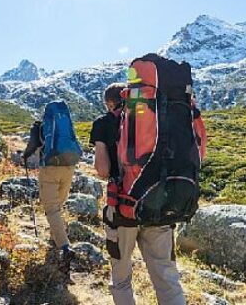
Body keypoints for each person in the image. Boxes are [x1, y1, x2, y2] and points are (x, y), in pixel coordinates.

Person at [89, 83, 187, 305]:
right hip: (159, 206)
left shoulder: (104, 123)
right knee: (166, 276)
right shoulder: (157, 119)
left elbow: (103, 170)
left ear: (109, 103)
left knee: (121, 278)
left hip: (123, 209)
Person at [23, 100, 83, 275]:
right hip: (69, 167)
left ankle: (64, 247)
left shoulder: (41, 127)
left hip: (50, 169)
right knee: (59, 204)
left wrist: (25, 156)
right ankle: (55, 237)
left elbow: (31, 147)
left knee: (51, 209)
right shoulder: (67, 125)